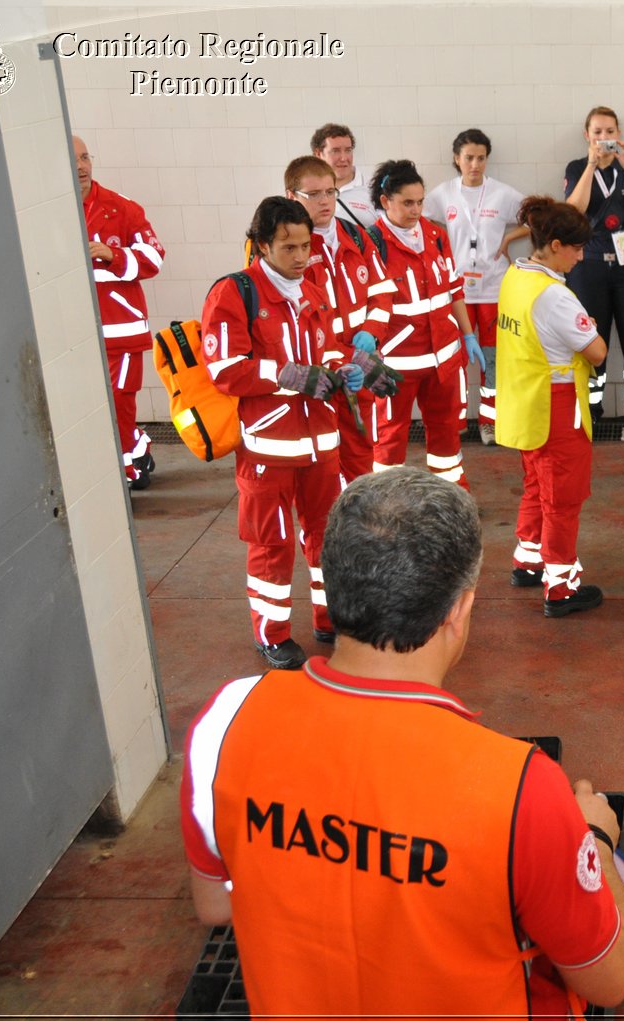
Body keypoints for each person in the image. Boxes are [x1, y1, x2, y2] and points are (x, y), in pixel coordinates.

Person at [180, 467, 624, 1021]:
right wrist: (595, 840)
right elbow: (610, 977)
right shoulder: (519, 789)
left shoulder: (227, 719)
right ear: (459, 609)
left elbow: (216, 901)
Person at [201, 198, 352, 669]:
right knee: (273, 544)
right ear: (263, 244)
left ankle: (332, 616)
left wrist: (353, 366)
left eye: (306, 245)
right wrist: (287, 375)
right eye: (289, 246)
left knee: (328, 536)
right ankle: (272, 634)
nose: (301, 255)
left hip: (321, 445)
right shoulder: (234, 293)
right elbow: (225, 370)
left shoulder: (310, 288)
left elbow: (326, 347)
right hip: (268, 449)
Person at [495, 197, 609, 618]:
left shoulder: (515, 276)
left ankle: (528, 560)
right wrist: (590, 331)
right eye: (576, 248)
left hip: (525, 402)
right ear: (556, 244)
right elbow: (596, 352)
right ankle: (560, 587)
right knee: (563, 497)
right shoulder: (555, 296)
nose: (580, 257)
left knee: (536, 486)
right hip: (557, 406)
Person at [284, 155, 399, 483]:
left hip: (360, 365)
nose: (325, 201)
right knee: (323, 457)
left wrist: (372, 334)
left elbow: (382, 290)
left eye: (331, 192)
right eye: (314, 194)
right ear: (292, 196)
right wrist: (344, 359)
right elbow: (295, 318)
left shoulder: (357, 236)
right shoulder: (292, 249)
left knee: (362, 451)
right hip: (320, 373)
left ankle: (359, 517)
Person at [369, 159, 481, 484]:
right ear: (386, 201)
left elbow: (453, 289)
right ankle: (384, 509)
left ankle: (451, 499)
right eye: (407, 202)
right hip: (396, 363)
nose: (416, 209)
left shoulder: (435, 235)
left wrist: (468, 334)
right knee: (389, 440)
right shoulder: (371, 244)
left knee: (447, 435)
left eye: (420, 201)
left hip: (443, 359)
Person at [564, 105, 624, 445]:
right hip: (589, 265)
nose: (604, 139)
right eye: (598, 133)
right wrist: (592, 165)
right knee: (591, 342)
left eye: (610, 132)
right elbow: (573, 210)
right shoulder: (578, 167)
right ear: (587, 136)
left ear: (618, 134)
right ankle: (589, 413)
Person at [425, 129, 528, 446]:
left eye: (481, 158)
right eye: (468, 157)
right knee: (453, 358)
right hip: (457, 292)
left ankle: (489, 421)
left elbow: (539, 216)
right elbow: (418, 222)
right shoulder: (443, 194)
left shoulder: (502, 194)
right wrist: (441, 254)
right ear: (457, 159)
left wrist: (510, 238)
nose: (475, 164)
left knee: (492, 358)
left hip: (493, 290)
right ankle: (453, 422)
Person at [76, 136, 164, 490]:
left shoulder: (121, 208)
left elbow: (155, 258)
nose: (82, 166)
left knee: (118, 404)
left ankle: (126, 473)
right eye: (73, 159)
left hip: (121, 333)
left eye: (85, 157)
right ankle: (137, 450)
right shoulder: (45, 211)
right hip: (73, 335)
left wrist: (115, 256)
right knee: (89, 408)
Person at [310, 122, 376, 228]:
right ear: (318, 154)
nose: (344, 158)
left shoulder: (373, 188)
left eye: (348, 150)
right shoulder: (306, 191)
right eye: (335, 151)